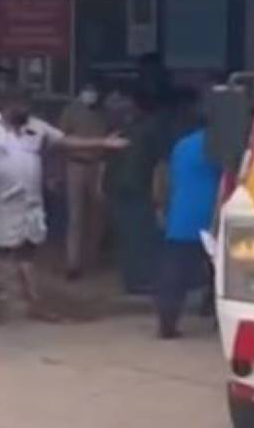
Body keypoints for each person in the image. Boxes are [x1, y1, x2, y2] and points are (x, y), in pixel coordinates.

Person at [0, 88, 127, 325]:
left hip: (31, 203)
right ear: (6, 106)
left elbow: (66, 141)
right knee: (0, 253)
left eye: (27, 105)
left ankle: (33, 304)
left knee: (28, 252)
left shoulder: (37, 127)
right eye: (19, 105)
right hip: (3, 202)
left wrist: (103, 142)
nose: (24, 110)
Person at [158, 99, 220, 339]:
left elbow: (170, 178)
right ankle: (215, 313)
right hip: (211, 217)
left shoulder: (181, 145)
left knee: (174, 275)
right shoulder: (219, 147)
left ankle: (167, 323)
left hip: (181, 217)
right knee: (219, 271)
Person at [103, 87, 172, 295]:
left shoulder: (123, 131)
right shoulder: (150, 130)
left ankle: (133, 280)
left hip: (122, 188)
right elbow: (159, 165)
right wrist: (159, 195)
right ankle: (139, 280)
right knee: (139, 236)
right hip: (137, 189)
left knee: (129, 237)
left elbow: (109, 162)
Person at [58, 80, 107, 280]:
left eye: (94, 91)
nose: (91, 94)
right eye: (88, 90)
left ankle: (91, 259)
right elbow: (61, 139)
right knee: (75, 216)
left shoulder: (101, 113)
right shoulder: (70, 111)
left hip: (97, 166)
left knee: (97, 215)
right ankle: (73, 263)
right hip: (75, 165)